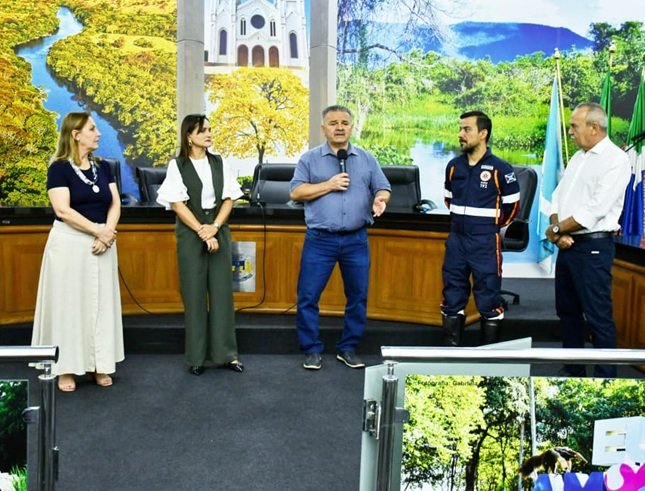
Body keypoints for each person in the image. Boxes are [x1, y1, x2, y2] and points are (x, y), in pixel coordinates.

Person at [290, 105, 391, 370]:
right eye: (333, 123)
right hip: (320, 240)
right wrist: (329, 184)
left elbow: (383, 187)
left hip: (356, 240)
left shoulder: (366, 159)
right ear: (323, 128)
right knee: (308, 296)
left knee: (358, 296)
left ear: (351, 127)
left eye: (344, 123)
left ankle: (348, 348)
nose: (339, 127)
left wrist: (380, 199)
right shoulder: (310, 159)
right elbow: (296, 192)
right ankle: (311, 350)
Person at [31, 111, 124, 392]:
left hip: (102, 244)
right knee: (69, 307)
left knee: (100, 306)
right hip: (69, 244)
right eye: (92, 129)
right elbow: (62, 210)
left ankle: (99, 364)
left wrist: (107, 233)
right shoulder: (59, 168)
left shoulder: (103, 167)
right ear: (75, 134)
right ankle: (66, 368)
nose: (98, 133)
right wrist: (98, 231)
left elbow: (115, 203)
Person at [545, 102, 630, 378]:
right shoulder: (578, 158)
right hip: (567, 245)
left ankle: (606, 378)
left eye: (574, 126)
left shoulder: (616, 160)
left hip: (593, 247)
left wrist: (555, 231)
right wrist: (558, 232)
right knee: (567, 312)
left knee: (597, 315)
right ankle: (574, 370)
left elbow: (594, 211)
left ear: (594, 127)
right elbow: (557, 198)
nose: (570, 131)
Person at [156, 114, 244, 376]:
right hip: (191, 232)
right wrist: (202, 232)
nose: (208, 134)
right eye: (202, 130)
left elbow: (229, 199)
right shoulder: (177, 165)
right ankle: (196, 357)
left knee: (222, 294)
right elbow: (177, 204)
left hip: (218, 229)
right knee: (193, 294)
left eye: (209, 130)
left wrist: (214, 227)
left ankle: (227, 355)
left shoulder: (219, 162)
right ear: (189, 136)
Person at [441, 111, 520, 346]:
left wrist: (487, 227)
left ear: (483, 133)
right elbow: (448, 199)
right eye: (460, 129)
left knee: (488, 297)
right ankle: (451, 352)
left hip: (485, 241)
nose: (460, 134)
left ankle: (489, 356)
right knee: (452, 294)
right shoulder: (453, 166)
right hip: (457, 240)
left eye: (467, 129)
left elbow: (512, 208)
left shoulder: (501, 169)